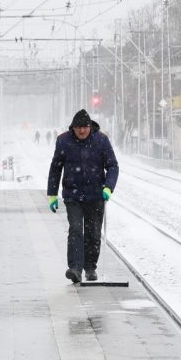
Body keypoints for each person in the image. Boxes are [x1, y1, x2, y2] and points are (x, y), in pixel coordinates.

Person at [46, 109, 119, 283]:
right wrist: (52, 194)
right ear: (73, 128)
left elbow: (113, 166)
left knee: (93, 233)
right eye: (78, 127)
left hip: (96, 195)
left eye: (85, 127)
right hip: (73, 195)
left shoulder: (101, 140)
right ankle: (75, 268)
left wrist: (108, 187)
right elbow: (56, 168)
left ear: (90, 127)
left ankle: (90, 267)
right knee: (76, 230)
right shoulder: (64, 141)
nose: (82, 131)